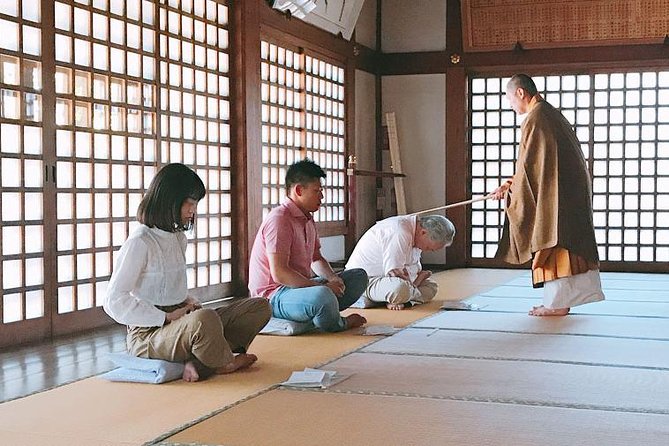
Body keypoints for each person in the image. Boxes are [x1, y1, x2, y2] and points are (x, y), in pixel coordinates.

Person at [104, 163, 271, 382]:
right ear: (169, 200)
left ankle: (201, 361)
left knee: (259, 306)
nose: (193, 211)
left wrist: (188, 302)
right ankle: (220, 362)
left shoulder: (178, 238)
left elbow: (170, 288)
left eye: (195, 204)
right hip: (149, 335)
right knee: (204, 320)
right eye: (190, 203)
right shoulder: (140, 241)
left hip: (181, 322)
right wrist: (165, 317)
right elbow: (113, 300)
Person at [492, 74, 605, 316]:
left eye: (510, 100)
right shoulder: (548, 113)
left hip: (556, 195)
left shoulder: (537, 117)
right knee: (563, 242)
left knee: (554, 242)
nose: (511, 107)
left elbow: (531, 166)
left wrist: (512, 190)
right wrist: (510, 184)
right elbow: (533, 165)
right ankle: (559, 302)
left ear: (521, 93)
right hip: (563, 191)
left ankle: (557, 304)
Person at [248, 159, 369, 332]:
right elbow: (280, 274)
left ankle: (317, 313)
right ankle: (338, 323)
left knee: (358, 277)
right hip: (273, 296)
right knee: (322, 296)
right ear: (298, 190)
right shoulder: (279, 219)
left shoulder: (307, 218)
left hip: (300, 287)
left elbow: (316, 258)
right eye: (317, 191)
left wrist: (332, 278)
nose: (322, 197)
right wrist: (322, 287)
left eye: (321, 191)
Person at [345, 215, 455, 310]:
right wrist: (419, 279)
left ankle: (385, 300)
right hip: (364, 281)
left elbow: (411, 271)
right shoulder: (399, 232)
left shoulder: (415, 235)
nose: (429, 251)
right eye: (429, 248)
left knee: (431, 287)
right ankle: (373, 298)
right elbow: (395, 274)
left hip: (390, 282)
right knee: (399, 289)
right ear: (423, 232)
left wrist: (417, 279)